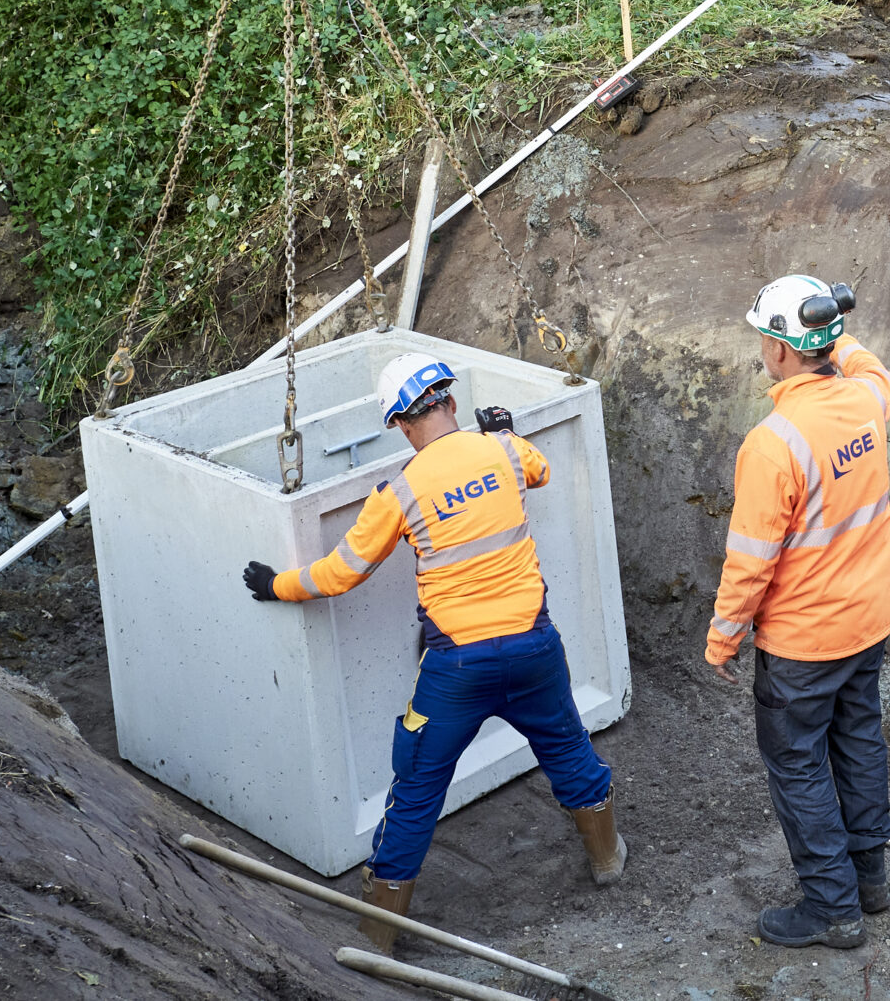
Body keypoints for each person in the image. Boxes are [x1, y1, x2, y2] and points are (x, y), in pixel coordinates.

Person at [241, 353, 621, 950]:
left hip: (456, 669)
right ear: (448, 399)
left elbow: (340, 573)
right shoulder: (503, 450)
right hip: (534, 648)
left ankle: (377, 932)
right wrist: (503, 432)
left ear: (398, 424)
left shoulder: (399, 491)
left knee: (417, 786)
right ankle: (607, 858)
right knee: (568, 748)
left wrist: (276, 585)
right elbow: (540, 470)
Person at [706, 275, 890, 951]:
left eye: (765, 336)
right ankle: (870, 879)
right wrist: (834, 328)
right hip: (867, 621)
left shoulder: (774, 442)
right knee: (858, 737)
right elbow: (871, 365)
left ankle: (831, 905)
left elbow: (751, 560)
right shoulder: (867, 402)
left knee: (798, 763)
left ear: (779, 349)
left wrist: (723, 638)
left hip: (805, 641)